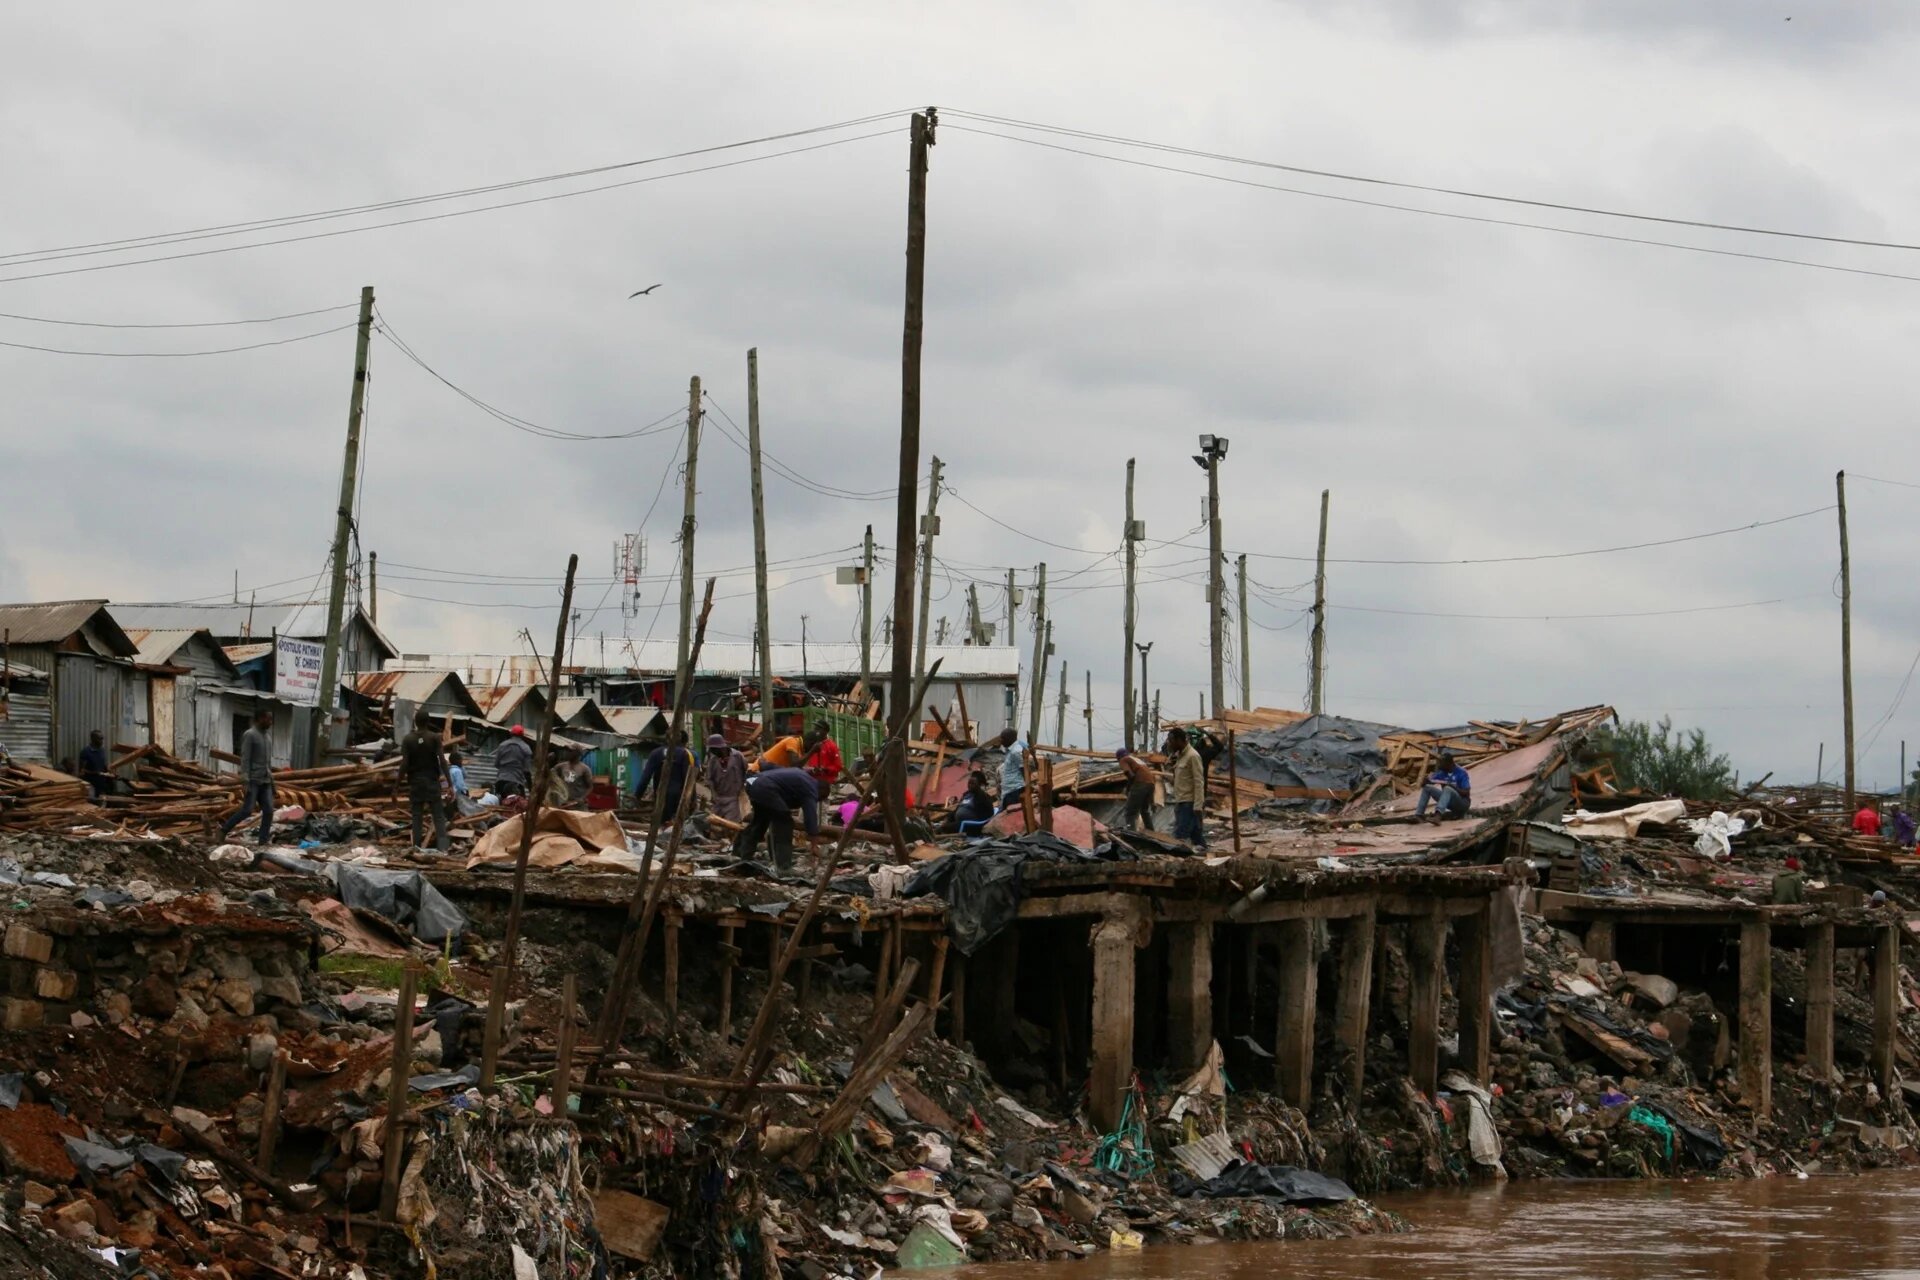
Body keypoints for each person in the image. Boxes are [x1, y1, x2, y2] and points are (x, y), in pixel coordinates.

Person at [736, 765, 820, 870]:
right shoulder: (811, 789)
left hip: (754, 782)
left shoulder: (804, 779)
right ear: (822, 791)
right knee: (784, 823)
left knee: (760, 822)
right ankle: (783, 867)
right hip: (765, 786)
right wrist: (814, 845)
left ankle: (742, 855)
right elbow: (810, 817)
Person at [219, 709, 277, 844]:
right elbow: (245, 759)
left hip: (265, 780)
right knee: (247, 810)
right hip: (253, 780)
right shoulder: (250, 735)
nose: (270, 722)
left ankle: (263, 841)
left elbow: (268, 763)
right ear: (260, 719)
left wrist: (273, 784)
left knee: (268, 810)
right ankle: (223, 830)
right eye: (268, 719)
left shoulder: (267, 738)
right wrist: (245, 781)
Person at [400, 720, 451, 854]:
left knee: (417, 816)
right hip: (432, 782)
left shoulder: (408, 739)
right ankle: (443, 848)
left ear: (415, 722)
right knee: (439, 816)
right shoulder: (434, 738)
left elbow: (404, 763)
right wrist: (450, 783)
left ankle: (416, 848)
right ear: (428, 722)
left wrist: (396, 785)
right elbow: (442, 760)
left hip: (416, 783)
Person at [635, 729, 695, 817]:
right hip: (679, 799)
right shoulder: (685, 754)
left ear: (666, 738)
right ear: (680, 739)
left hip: (660, 798)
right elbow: (689, 779)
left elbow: (645, 778)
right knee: (677, 826)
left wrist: (637, 796)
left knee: (661, 826)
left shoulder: (655, 753)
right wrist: (692, 799)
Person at [1166, 727, 1208, 850]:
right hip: (1181, 802)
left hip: (1189, 804)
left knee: (1180, 837)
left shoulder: (1193, 756)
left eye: (1171, 740)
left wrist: (1198, 806)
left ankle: (1179, 863)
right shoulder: (1180, 756)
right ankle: (1207, 860)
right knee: (1196, 837)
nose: (1169, 744)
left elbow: (1199, 782)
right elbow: (1181, 780)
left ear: (1179, 740)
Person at [1416, 751, 1472, 822]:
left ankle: (1438, 816)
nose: (1440, 765)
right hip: (1451, 803)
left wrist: (1453, 787)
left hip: (1462, 803)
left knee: (1447, 788)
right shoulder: (1442, 772)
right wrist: (1425, 781)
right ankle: (1419, 815)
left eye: (1442, 763)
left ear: (1450, 764)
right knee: (1427, 788)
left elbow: (1466, 792)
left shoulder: (1461, 772)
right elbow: (1431, 780)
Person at [705, 734, 747, 822]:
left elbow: (747, 772)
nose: (713, 752)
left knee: (731, 824)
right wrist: (713, 795)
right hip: (719, 799)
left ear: (721, 748)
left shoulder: (737, 756)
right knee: (715, 825)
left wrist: (743, 791)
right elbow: (709, 779)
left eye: (714, 750)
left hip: (734, 798)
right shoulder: (713, 760)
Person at [1118, 747, 1157, 831]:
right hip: (1151, 783)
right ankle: (1151, 832)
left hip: (1140, 783)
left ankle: (1131, 833)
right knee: (1144, 810)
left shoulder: (1123, 760)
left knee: (1129, 812)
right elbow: (1149, 776)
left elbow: (1130, 774)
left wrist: (1128, 788)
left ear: (1119, 757)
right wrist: (1152, 802)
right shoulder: (1137, 760)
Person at [802, 722, 844, 794]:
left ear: (825, 732)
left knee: (824, 804)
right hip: (812, 782)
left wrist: (825, 769)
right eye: (815, 729)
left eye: (818, 729)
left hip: (826, 784)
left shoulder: (831, 746)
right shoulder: (811, 744)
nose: (815, 731)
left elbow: (838, 766)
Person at [494, 725, 533, 800]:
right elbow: (526, 771)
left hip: (501, 781)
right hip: (516, 782)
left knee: (500, 806)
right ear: (522, 735)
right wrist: (531, 788)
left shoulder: (502, 745)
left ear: (511, 734)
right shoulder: (526, 748)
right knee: (520, 807)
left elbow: (496, 764)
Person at [996, 728, 1028, 813]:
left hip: (1014, 790)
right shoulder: (1011, 750)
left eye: (1003, 738)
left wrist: (1027, 787)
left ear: (1009, 738)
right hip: (1009, 790)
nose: (1001, 741)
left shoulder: (1016, 751)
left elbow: (1024, 769)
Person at [954, 769, 995, 835]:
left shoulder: (982, 797)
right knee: (944, 826)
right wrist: (948, 818)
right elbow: (957, 809)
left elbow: (988, 815)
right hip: (960, 823)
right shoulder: (966, 794)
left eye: (973, 783)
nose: (970, 785)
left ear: (979, 785)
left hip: (971, 825)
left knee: (945, 828)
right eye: (969, 783)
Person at [77, 729, 113, 799]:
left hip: (101, 783)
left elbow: (103, 764)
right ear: (93, 739)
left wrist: (109, 772)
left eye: (102, 738)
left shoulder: (102, 750)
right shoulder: (86, 752)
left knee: (101, 801)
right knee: (92, 802)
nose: (102, 741)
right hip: (91, 784)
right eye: (100, 739)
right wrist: (95, 773)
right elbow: (82, 771)